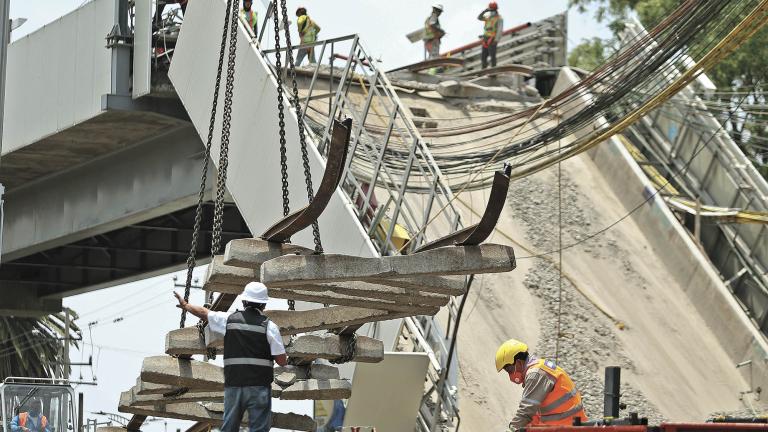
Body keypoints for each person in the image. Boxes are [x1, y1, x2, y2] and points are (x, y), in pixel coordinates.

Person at [174, 282, 288, 432]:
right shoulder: (270, 327)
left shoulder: (229, 320)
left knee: (229, 427)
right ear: (264, 305)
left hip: (234, 385)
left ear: (244, 301)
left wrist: (186, 305)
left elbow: (204, 313)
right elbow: (281, 361)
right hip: (259, 387)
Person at [495, 339, 587, 431]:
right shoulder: (539, 367)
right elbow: (534, 413)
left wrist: (512, 428)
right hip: (570, 422)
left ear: (519, 362)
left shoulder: (535, 374)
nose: (510, 375)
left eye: (509, 370)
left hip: (567, 425)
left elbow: (526, 410)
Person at [478, 2, 503, 69]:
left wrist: (496, 40)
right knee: (483, 56)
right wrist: (484, 11)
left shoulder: (499, 18)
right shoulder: (488, 17)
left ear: (495, 10)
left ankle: (493, 71)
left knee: (492, 57)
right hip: (485, 39)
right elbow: (479, 18)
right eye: (490, 10)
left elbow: (499, 30)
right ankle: (483, 70)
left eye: (492, 10)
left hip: (492, 39)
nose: (491, 11)